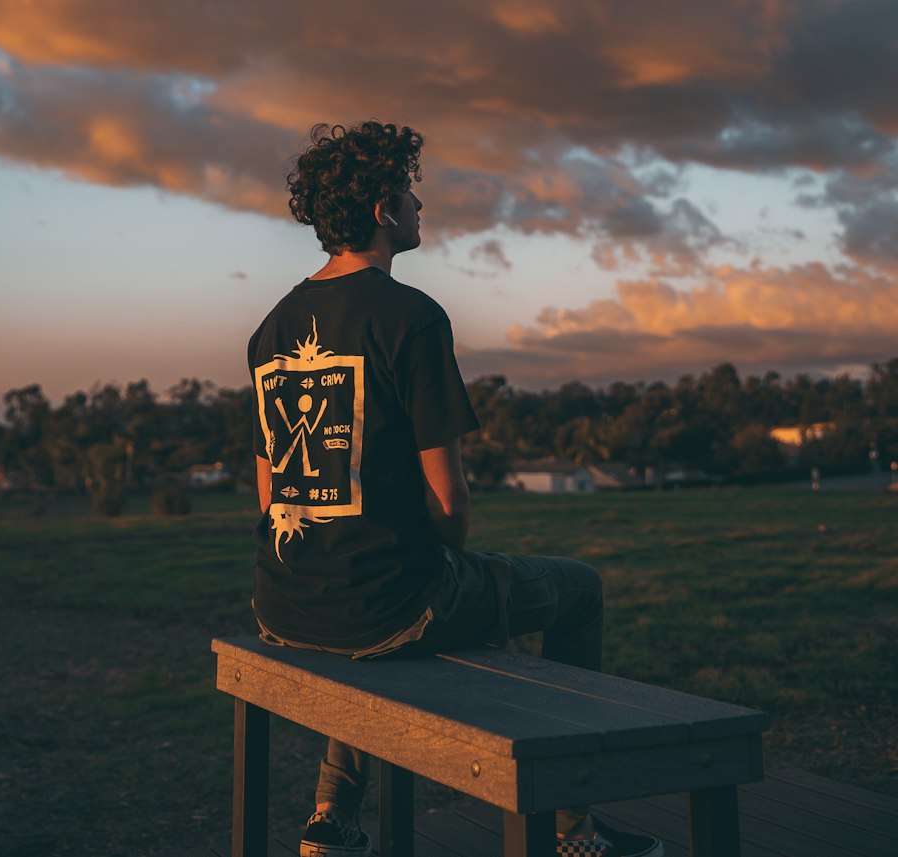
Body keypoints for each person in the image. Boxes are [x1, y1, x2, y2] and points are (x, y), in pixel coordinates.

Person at [248, 121, 662, 857]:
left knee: (366, 599)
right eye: (409, 191)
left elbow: (268, 492)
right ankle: (575, 829)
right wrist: (438, 566)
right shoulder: (412, 317)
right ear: (381, 209)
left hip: (283, 600)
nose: (418, 204)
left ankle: (330, 821)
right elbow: (451, 506)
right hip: (393, 604)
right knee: (578, 587)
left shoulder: (271, 327)